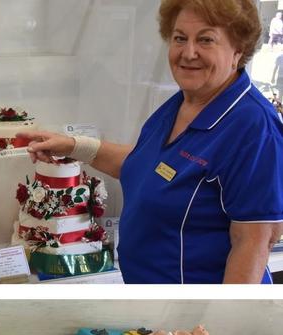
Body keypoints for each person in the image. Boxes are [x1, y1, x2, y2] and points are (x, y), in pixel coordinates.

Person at [19, 0, 283, 284]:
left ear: (238, 51)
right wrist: (73, 145)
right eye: (180, 38)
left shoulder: (254, 128)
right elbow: (149, 166)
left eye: (206, 40)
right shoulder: (182, 103)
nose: (188, 52)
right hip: (151, 299)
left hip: (193, 314)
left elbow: (254, 243)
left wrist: (218, 324)